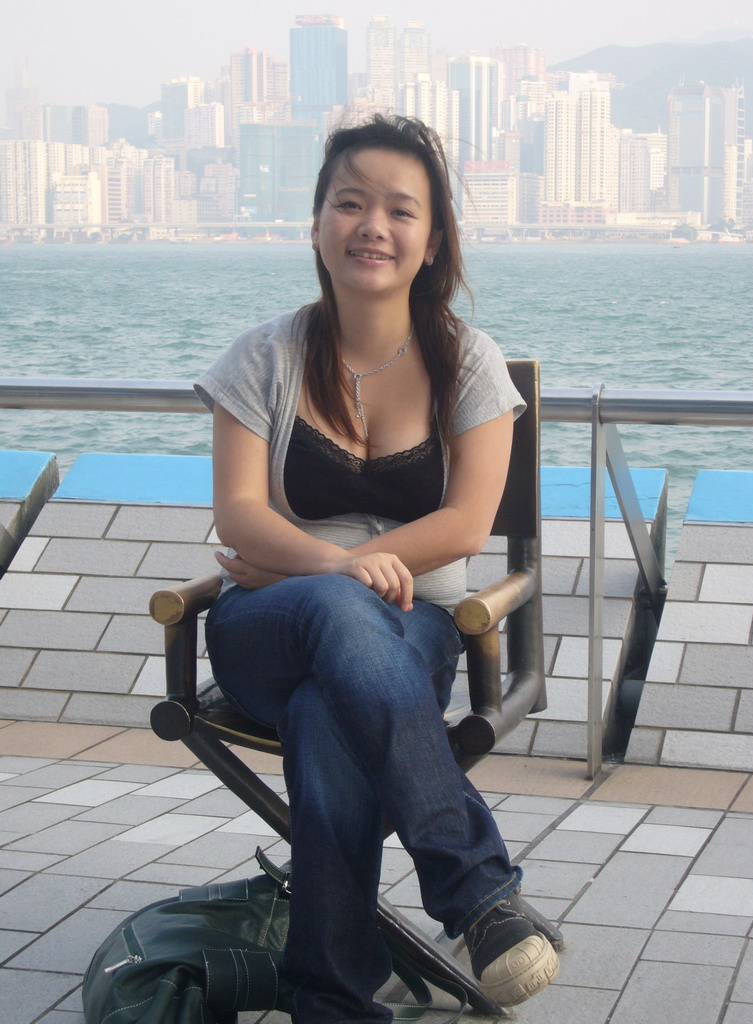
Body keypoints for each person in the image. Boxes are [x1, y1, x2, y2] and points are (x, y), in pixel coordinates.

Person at [195, 114, 558, 1024]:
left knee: (329, 721)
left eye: (400, 211)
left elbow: (467, 522)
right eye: (349, 203)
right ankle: (476, 889)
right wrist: (327, 577)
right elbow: (237, 511)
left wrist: (319, 571)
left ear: (432, 242)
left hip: (408, 633)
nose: (373, 226)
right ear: (317, 223)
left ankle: (329, 995)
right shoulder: (264, 356)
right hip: (264, 630)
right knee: (338, 619)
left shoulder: (465, 362)